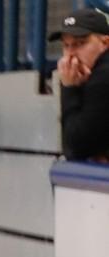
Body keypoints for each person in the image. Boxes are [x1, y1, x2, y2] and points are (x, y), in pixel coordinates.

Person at [52, 8, 109, 161]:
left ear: (105, 43)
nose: (71, 54)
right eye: (66, 45)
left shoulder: (103, 76)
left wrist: (69, 87)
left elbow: (75, 148)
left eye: (80, 43)